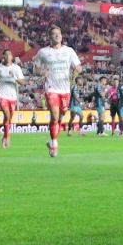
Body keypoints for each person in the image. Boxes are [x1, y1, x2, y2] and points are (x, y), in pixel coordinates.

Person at [33, 26, 82, 157]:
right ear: (50, 37)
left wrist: (77, 68)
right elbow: (35, 68)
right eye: (54, 34)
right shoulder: (43, 52)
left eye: (59, 33)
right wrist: (41, 72)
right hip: (51, 87)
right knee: (55, 115)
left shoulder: (69, 51)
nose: (57, 36)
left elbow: (78, 66)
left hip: (65, 89)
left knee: (60, 117)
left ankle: (51, 139)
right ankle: (54, 144)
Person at [0, 50, 25, 148]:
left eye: (9, 54)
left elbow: (22, 82)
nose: (8, 56)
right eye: (6, 54)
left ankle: (4, 136)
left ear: (12, 56)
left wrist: (14, 77)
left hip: (13, 97)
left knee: (9, 118)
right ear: (3, 56)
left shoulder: (16, 68)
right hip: (2, 95)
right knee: (7, 115)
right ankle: (7, 138)